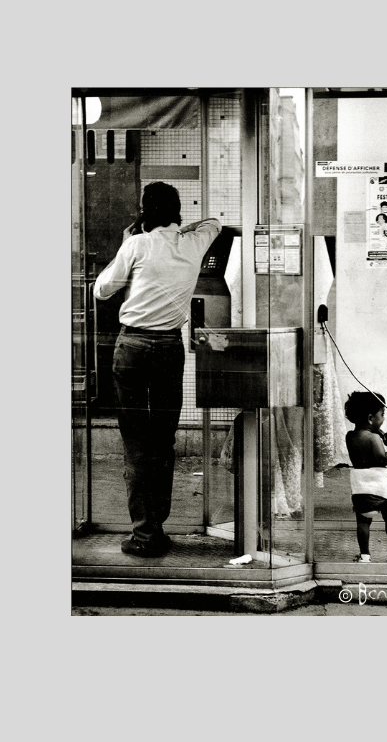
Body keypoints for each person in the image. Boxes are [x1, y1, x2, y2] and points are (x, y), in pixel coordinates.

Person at [94, 182, 222, 557]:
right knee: (163, 441)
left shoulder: (136, 245)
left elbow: (102, 290)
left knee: (136, 445)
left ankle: (144, 534)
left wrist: (132, 236)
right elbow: (213, 222)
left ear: (144, 212)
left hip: (132, 348)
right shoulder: (194, 242)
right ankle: (158, 527)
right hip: (169, 347)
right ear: (178, 211)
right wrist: (180, 229)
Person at [344, 391, 387, 563]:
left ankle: (364, 555)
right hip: (380, 487)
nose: (383, 418)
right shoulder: (373, 438)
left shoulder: (350, 436)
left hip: (361, 487)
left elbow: (365, 448)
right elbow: (383, 459)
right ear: (371, 418)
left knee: (363, 522)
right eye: (382, 415)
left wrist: (380, 433)